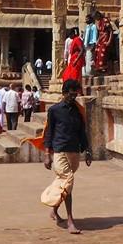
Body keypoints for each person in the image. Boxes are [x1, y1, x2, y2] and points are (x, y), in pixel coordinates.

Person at [26, 79, 91, 235]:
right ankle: (70, 220)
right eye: (71, 93)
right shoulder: (54, 110)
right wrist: (47, 154)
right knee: (68, 180)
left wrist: (87, 150)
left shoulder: (78, 110)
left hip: (74, 150)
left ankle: (54, 210)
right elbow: (49, 132)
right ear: (64, 93)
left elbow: (83, 132)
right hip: (59, 150)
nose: (73, 96)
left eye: (76, 93)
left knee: (64, 185)